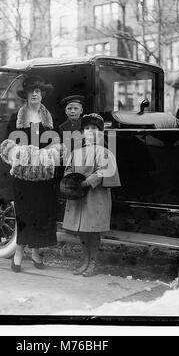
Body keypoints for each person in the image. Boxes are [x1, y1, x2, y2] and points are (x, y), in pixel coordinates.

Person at [2, 75, 61, 273]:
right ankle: (19, 252)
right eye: (31, 91)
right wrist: (25, 155)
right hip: (22, 175)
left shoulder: (49, 118)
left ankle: (36, 252)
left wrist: (48, 156)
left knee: (41, 213)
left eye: (38, 91)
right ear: (26, 95)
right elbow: (8, 146)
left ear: (42, 95)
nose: (35, 94)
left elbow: (57, 144)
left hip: (44, 176)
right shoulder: (15, 118)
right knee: (25, 213)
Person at [62, 113, 117, 277]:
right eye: (86, 128)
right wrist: (71, 180)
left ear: (100, 132)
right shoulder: (76, 152)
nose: (90, 132)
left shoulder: (104, 151)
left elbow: (104, 171)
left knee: (93, 230)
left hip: (95, 197)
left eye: (94, 128)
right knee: (83, 231)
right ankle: (85, 260)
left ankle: (93, 262)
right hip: (79, 197)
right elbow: (68, 169)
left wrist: (87, 182)